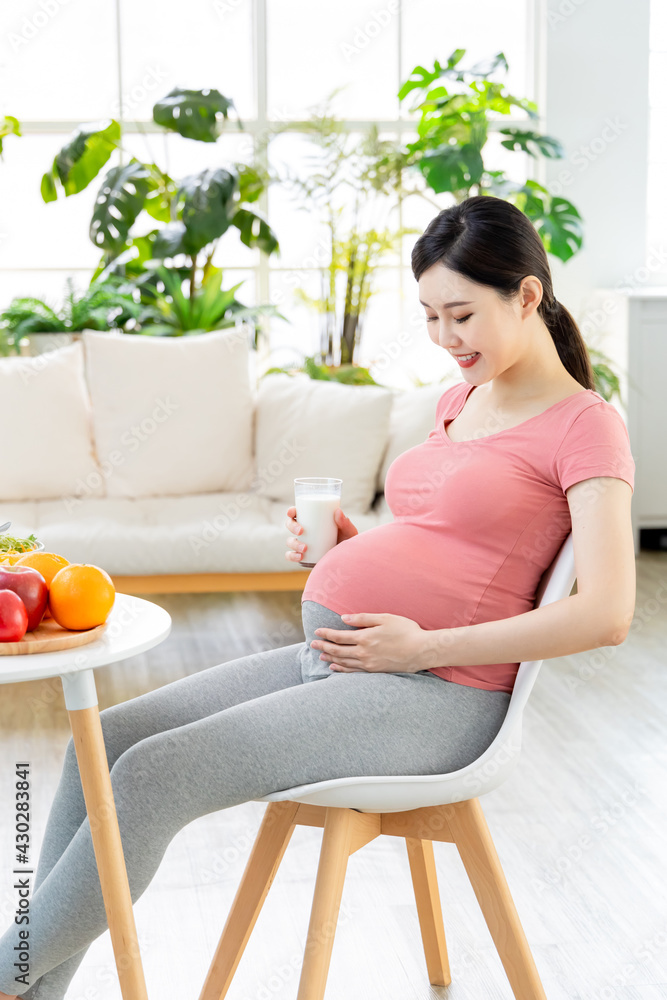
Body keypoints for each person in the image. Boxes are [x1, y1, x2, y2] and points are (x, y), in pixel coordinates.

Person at [0, 195, 636, 999]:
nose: (444, 339)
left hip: (438, 695)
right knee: (112, 737)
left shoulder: (584, 426)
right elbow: (452, 539)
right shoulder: (460, 399)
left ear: (526, 295)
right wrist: (350, 547)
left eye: (461, 315)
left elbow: (607, 615)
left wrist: (422, 648)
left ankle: (6, 973)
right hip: (346, 662)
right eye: (430, 316)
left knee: (153, 775)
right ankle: (35, 987)